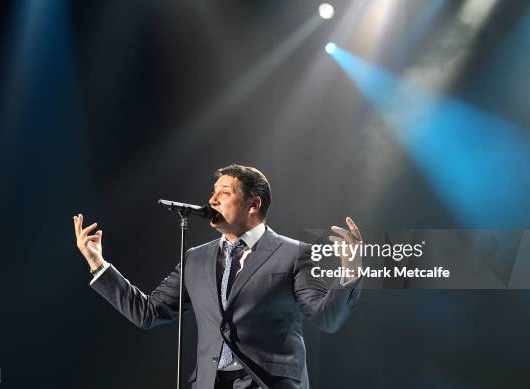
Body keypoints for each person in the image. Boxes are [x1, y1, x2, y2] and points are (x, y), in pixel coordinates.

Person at [73, 164, 362, 389]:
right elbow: (147, 312)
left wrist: (349, 271)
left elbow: (327, 318)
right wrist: (98, 264)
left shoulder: (294, 254)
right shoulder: (196, 258)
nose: (211, 200)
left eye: (224, 193)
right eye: (213, 192)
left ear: (254, 204)